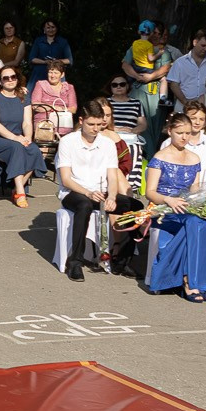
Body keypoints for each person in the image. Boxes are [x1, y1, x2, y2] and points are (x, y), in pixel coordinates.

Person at [56, 101, 141, 281]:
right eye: (91, 124)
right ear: (81, 121)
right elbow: (66, 179)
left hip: (100, 192)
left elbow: (113, 175)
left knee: (134, 205)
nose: (95, 129)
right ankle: (75, 262)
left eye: (99, 124)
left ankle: (122, 259)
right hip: (74, 192)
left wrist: (111, 196)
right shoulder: (67, 141)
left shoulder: (107, 143)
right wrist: (87, 192)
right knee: (84, 205)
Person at [144, 111, 206, 302]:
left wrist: (205, 201)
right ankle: (189, 281)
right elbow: (150, 192)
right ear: (170, 131)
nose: (185, 137)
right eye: (180, 133)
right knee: (195, 222)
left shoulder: (194, 158)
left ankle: (204, 282)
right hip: (165, 209)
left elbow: (194, 189)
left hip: (187, 208)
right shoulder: (160, 157)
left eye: (188, 133)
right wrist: (168, 200)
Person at [0, 66, 47, 207]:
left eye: (13, 77)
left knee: (34, 150)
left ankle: (15, 189)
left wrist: (28, 137)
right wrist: (16, 138)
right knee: (17, 147)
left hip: (16, 137)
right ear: (0, 82)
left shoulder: (23, 98)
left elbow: (27, 122)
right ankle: (21, 193)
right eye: (6, 78)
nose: (10, 80)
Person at [124, 22, 174, 125]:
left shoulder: (164, 51)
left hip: (156, 96)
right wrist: (137, 76)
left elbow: (166, 68)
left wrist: (150, 77)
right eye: (154, 33)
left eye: (158, 33)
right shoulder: (134, 48)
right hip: (137, 92)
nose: (155, 35)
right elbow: (125, 65)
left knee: (155, 125)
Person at [29, 59, 78, 142]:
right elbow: (35, 105)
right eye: (50, 72)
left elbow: (73, 109)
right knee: (45, 144)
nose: (52, 75)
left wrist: (62, 109)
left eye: (56, 73)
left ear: (62, 75)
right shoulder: (40, 84)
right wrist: (53, 107)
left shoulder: (69, 88)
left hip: (63, 122)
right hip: (44, 123)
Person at [167, 31, 206, 106]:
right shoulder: (180, 62)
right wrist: (185, 102)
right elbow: (173, 85)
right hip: (182, 105)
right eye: (203, 45)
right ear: (195, 42)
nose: (205, 49)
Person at [106, 75, 148, 156]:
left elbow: (143, 124)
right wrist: (115, 129)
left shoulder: (136, 103)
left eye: (122, 84)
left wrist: (132, 131)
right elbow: (100, 121)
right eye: (115, 85)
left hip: (130, 138)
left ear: (127, 86)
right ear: (110, 87)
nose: (118, 87)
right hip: (110, 136)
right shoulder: (105, 103)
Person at [26, 19, 72, 87]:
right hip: (39, 73)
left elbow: (69, 60)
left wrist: (55, 62)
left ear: (56, 28)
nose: (51, 29)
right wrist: (45, 62)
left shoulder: (63, 42)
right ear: (44, 29)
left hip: (56, 74)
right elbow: (32, 58)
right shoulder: (38, 41)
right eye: (48, 27)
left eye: (53, 27)